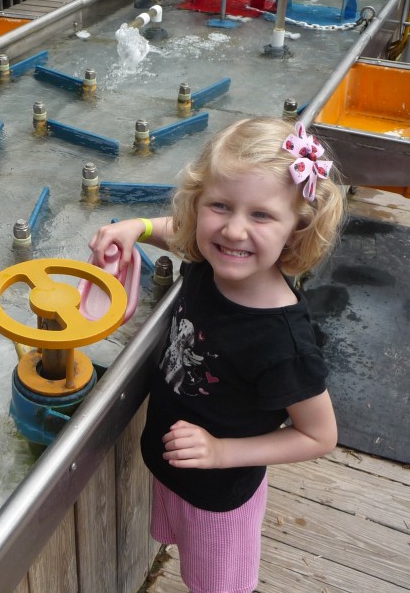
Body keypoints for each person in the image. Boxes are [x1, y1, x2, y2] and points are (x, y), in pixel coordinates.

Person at [88, 117, 345, 593]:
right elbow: (181, 234)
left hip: (219, 497)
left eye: (261, 215)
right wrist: (135, 227)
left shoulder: (281, 341)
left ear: (296, 229)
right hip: (177, 468)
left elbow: (319, 435)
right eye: (220, 206)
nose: (233, 230)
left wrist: (224, 451)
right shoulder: (213, 261)